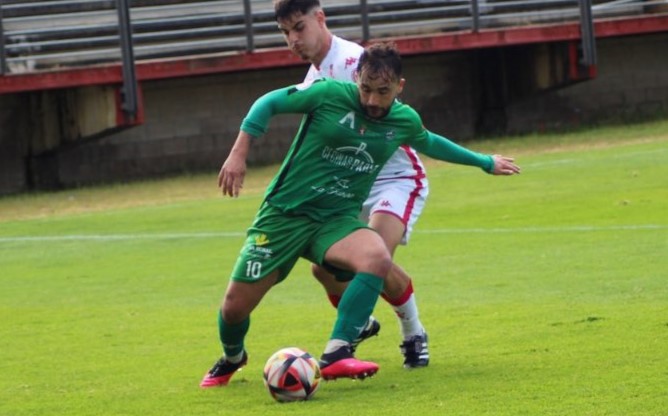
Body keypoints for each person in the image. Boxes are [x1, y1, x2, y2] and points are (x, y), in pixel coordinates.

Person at [199, 41, 520, 388]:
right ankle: (233, 356)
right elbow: (269, 102)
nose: (371, 101)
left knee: (376, 256)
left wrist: (485, 162)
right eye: (365, 89)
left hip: (335, 219)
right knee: (234, 309)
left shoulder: (403, 120)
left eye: (382, 92)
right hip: (285, 215)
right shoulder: (327, 94)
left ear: (399, 87)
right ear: (356, 78)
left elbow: (432, 142)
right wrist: (238, 154)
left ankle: (337, 352)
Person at [274, 0, 506, 368]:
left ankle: (412, 333)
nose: (293, 39)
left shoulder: (353, 62)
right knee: (324, 270)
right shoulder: (314, 79)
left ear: (320, 18)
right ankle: (362, 320)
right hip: (351, 185)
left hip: (394, 179)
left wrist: (483, 162)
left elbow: (418, 134)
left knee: (375, 259)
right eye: (285, 32)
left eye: (299, 28)